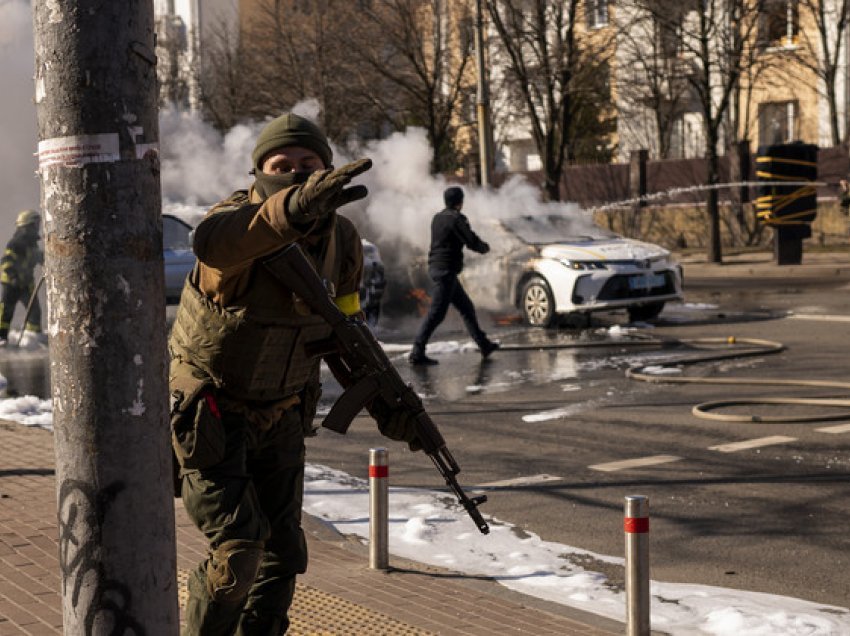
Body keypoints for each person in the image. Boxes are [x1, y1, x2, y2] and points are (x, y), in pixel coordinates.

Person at [168, 113, 420, 635]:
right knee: (239, 553)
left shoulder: (343, 241)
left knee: (283, 553)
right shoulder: (234, 222)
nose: (297, 174)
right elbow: (213, 245)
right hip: (213, 414)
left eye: (309, 165)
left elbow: (347, 331)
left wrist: (390, 406)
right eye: (282, 166)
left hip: (282, 411)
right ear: (259, 171)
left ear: (329, 169)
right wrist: (291, 209)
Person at [408, 186, 499, 365]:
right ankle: (417, 352)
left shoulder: (437, 218)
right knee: (436, 314)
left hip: (439, 268)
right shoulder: (456, 219)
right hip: (445, 271)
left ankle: (484, 345)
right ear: (460, 201)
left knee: (466, 308)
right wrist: (485, 247)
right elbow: (471, 241)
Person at [0, 209, 43, 345]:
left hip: (26, 284)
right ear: (27, 226)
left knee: (34, 311)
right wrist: (13, 276)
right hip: (11, 284)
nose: (37, 227)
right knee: (6, 311)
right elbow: (6, 261)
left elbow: (37, 258)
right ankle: (1, 338)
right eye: (35, 224)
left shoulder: (33, 244)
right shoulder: (16, 243)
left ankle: (33, 337)